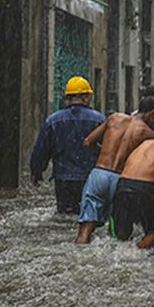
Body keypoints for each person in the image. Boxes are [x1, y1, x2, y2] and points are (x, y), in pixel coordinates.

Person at [74, 97, 154, 244]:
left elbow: (88, 142)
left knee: (85, 229)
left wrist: (103, 154)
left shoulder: (114, 118)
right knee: (115, 232)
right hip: (121, 180)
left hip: (99, 174)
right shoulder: (148, 134)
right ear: (152, 114)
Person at [29, 76, 106, 214]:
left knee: (65, 215)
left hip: (63, 179)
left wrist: (36, 171)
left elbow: (41, 150)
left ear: (67, 98)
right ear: (86, 98)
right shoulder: (99, 120)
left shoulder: (52, 121)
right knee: (88, 217)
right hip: (90, 178)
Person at [111, 115, 154, 249]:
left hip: (122, 184)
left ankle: (121, 255)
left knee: (121, 235)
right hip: (145, 189)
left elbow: (148, 175)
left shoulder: (144, 143)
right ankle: (134, 252)